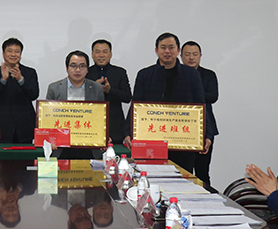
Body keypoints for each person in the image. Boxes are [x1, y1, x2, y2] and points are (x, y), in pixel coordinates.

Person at [124, 33, 211, 173]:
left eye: (171, 47)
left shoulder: (191, 74)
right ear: (156, 50)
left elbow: (200, 105)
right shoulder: (145, 74)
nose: (167, 51)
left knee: (182, 177)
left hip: (183, 138)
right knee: (151, 176)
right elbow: (136, 106)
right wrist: (128, 132)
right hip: (152, 138)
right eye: (163, 47)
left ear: (178, 50)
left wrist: (207, 134)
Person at [46, 50, 104, 159]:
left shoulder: (96, 88)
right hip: (61, 147)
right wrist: (49, 138)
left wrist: (103, 135)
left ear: (87, 69)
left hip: (88, 145)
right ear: (67, 68)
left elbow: (100, 117)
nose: (78, 70)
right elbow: (48, 119)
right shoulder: (54, 88)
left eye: (82, 66)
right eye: (73, 66)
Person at [0, 38, 39, 144]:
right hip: (2, 128)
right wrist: (3, 80)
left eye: (17, 51)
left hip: (25, 127)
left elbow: (34, 94)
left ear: (21, 54)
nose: (13, 54)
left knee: (25, 155)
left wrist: (21, 79)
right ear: (3, 54)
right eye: (10, 51)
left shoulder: (30, 72)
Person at [181, 41, 219, 185]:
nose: (191, 57)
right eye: (187, 54)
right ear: (181, 56)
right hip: (180, 128)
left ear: (200, 56)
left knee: (202, 172)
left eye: (195, 54)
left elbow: (213, 96)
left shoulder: (209, 75)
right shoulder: (176, 75)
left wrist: (191, 93)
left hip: (204, 128)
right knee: (182, 171)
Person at [86, 39, 132, 144]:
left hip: (115, 127)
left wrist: (110, 90)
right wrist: (94, 88)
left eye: (105, 52)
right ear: (92, 55)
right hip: (90, 125)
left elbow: (127, 97)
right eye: (97, 52)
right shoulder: (86, 73)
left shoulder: (120, 72)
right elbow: (80, 97)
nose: (101, 55)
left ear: (110, 54)